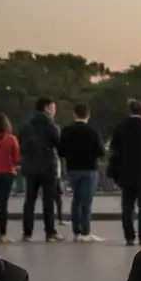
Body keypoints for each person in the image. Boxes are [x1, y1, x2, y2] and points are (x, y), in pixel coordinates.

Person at [109, 100, 141, 247]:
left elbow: (114, 149)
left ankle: (129, 237)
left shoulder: (120, 128)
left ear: (129, 111)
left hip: (126, 173)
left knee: (127, 206)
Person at [58, 103, 106, 242]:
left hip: (73, 168)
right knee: (86, 201)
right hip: (89, 169)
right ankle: (86, 232)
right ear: (88, 115)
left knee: (76, 200)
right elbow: (100, 152)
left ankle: (76, 231)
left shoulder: (66, 131)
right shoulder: (92, 132)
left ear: (74, 114)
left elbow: (61, 151)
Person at [17, 97, 63, 242]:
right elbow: (59, 145)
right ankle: (50, 232)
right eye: (53, 107)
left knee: (29, 200)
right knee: (48, 200)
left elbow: (21, 145)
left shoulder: (25, 126)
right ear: (46, 108)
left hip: (30, 166)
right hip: (48, 167)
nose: (55, 111)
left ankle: (27, 232)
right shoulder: (51, 126)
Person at [0, 114, 19, 243]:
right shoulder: (11, 139)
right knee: (3, 205)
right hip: (6, 174)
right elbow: (16, 158)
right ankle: (2, 235)